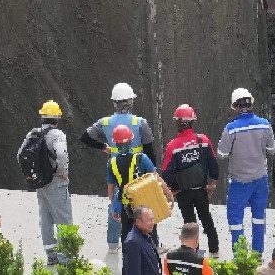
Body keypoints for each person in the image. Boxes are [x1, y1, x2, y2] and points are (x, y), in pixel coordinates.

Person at [82, 82, 157, 254]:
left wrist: (103, 147)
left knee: (116, 203)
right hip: (139, 171)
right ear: (130, 102)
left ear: (114, 102)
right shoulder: (140, 122)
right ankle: (150, 240)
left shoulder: (105, 122)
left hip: (116, 170)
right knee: (144, 206)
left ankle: (113, 244)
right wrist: (152, 173)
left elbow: (85, 137)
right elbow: (150, 150)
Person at [216, 87, 275, 255]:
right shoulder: (265, 124)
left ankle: (241, 256)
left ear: (236, 107)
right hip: (260, 179)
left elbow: (221, 154)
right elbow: (272, 150)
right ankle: (258, 254)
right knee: (259, 218)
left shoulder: (231, 128)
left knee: (235, 220)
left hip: (239, 182)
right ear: (251, 104)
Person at [161, 104, 220, 256]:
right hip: (201, 189)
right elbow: (213, 162)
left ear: (177, 123)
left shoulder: (172, 146)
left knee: (189, 223)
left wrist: (171, 189)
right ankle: (214, 251)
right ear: (192, 121)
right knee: (206, 218)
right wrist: (213, 182)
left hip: (183, 192)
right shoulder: (203, 140)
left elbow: (167, 172)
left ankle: (194, 254)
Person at [23, 100, 72, 265]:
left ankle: (51, 255)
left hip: (40, 183)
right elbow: (62, 155)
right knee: (64, 219)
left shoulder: (33, 134)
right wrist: (62, 171)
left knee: (45, 218)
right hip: (56, 182)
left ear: (42, 117)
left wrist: (31, 174)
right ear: (57, 118)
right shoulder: (57, 135)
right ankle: (66, 258)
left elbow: (20, 154)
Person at [108, 124, 161, 243]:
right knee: (149, 235)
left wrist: (113, 207)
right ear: (131, 140)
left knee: (127, 237)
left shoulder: (112, 163)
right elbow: (156, 178)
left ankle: (129, 254)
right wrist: (167, 196)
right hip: (144, 203)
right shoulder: (142, 158)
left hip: (126, 204)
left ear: (115, 143)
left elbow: (111, 188)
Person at [122, 206, 161, 275]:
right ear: (138, 221)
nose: (152, 223)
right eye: (149, 220)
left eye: (153, 219)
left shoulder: (145, 234)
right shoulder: (133, 242)